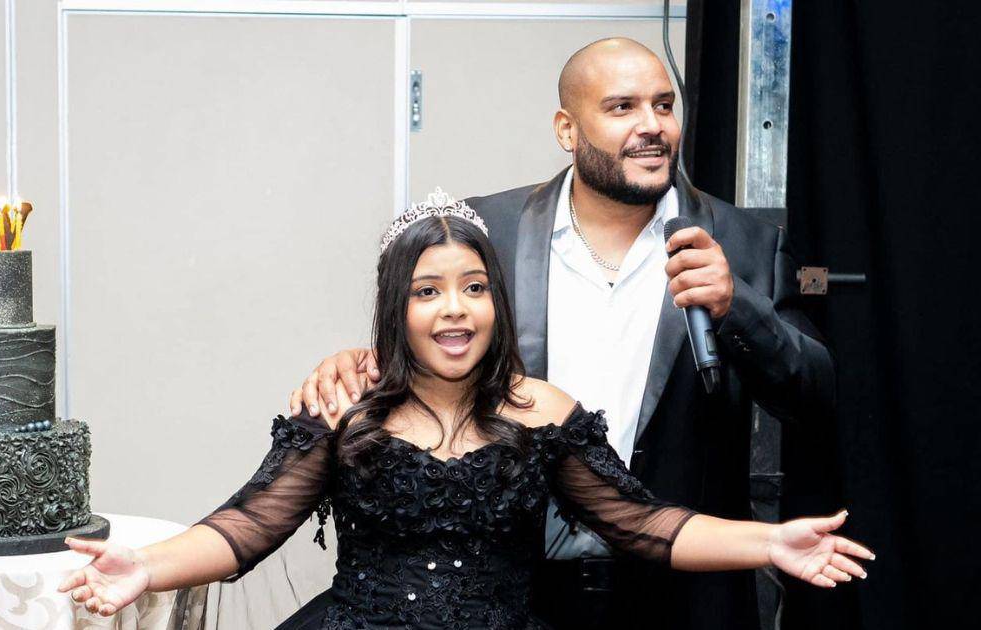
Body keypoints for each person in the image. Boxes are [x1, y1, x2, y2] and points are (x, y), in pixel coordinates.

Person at [59, 197, 869, 629]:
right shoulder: (347, 413)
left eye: (475, 288)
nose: (455, 309)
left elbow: (647, 526)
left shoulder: (541, 411)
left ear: (496, 303)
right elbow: (247, 527)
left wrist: (771, 542)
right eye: (429, 291)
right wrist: (146, 566)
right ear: (398, 309)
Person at [289, 38, 835, 629]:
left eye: (664, 105)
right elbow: (430, 342)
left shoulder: (745, 243)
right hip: (521, 591)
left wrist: (737, 308)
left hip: (685, 593)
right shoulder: (491, 231)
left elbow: (815, 395)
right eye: (622, 107)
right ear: (567, 130)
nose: (652, 126)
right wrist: (359, 361)